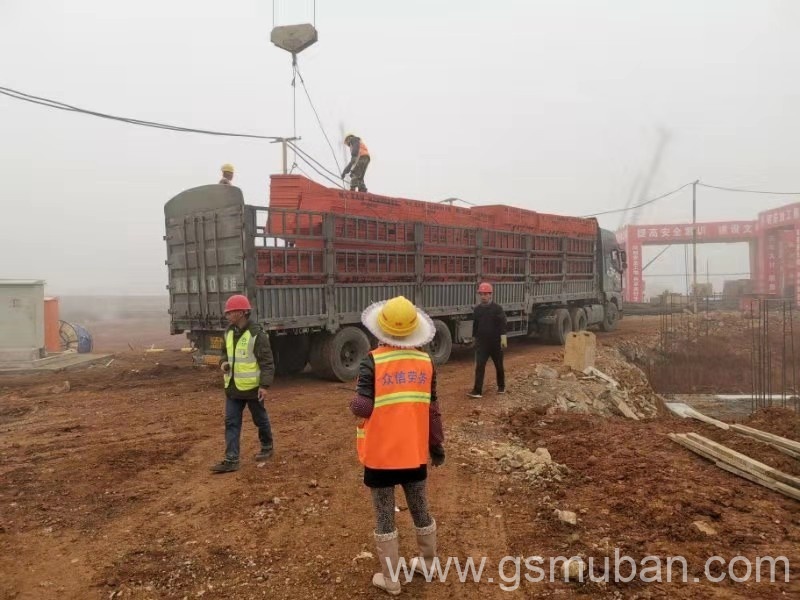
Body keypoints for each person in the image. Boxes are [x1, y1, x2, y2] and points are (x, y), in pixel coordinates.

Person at [350, 295, 445, 595]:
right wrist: (437, 447)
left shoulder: (372, 360)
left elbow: (362, 407)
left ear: (382, 330)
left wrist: (355, 400)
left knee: (384, 515)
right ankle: (428, 564)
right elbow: (433, 410)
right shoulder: (425, 362)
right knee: (420, 507)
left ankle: (391, 579)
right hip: (414, 454)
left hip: (381, 456)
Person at [210, 294, 275, 473]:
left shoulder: (257, 334)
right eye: (228, 312)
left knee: (260, 419)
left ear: (242, 312)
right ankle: (231, 459)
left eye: (231, 312)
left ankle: (267, 446)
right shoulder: (229, 332)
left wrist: (264, 386)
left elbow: (267, 362)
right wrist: (223, 363)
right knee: (231, 422)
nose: (228, 315)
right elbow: (224, 353)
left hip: (253, 389)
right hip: (232, 388)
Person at [467, 282, 507, 398]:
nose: (483, 296)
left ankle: (501, 386)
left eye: (485, 294)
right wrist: (475, 338)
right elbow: (475, 325)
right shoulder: (477, 310)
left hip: (495, 343)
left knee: (499, 365)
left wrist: (503, 337)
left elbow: (502, 324)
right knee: (479, 366)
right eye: (481, 294)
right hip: (482, 343)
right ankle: (477, 391)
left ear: (490, 295)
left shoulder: (497, 309)